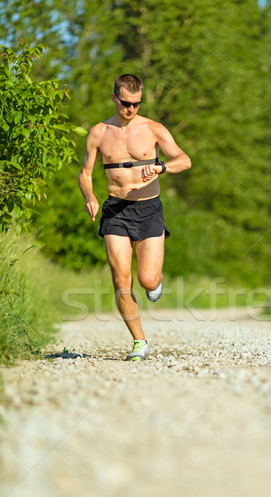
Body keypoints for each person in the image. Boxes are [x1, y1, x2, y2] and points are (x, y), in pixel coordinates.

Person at [78, 74, 191, 360]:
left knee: (147, 279)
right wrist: (90, 197)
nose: (131, 109)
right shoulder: (99, 132)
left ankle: (155, 283)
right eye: (126, 103)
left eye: (137, 104)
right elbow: (86, 174)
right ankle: (139, 341)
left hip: (149, 208)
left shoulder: (153, 128)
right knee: (121, 281)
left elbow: (184, 160)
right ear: (114, 98)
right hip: (115, 210)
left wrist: (162, 168)